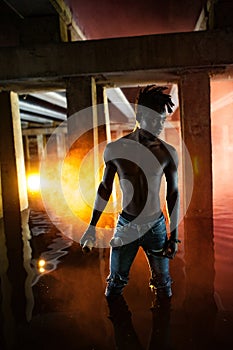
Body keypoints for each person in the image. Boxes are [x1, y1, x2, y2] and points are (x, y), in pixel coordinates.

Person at [80, 85, 180, 303]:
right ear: (140, 116)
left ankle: (162, 332)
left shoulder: (167, 153)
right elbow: (104, 188)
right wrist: (91, 226)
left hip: (156, 227)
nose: (160, 125)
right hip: (126, 226)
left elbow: (172, 194)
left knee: (164, 285)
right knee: (114, 285)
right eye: (155, 120)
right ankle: (121, 332)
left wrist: (174, 235)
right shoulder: (116, 149)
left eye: (163, 120)